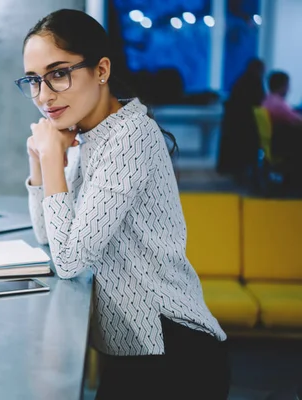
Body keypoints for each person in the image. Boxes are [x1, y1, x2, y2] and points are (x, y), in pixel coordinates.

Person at [16, 9, 230, 399]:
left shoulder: (130, 135)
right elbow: (49, 236)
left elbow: (70, 261)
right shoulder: (86, 133)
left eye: (58, 73)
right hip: (135, 350)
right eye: (33, 80)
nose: (44, 95)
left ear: (101, 71)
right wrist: (38, 158)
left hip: (174, 353)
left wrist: (52, 159)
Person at [217, 58, 265, 179]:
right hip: (245, 126)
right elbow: (258, 102)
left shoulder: (242, 80)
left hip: (236, 124)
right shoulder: (254, 82)